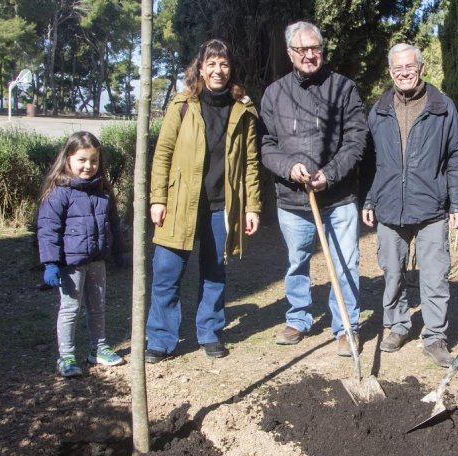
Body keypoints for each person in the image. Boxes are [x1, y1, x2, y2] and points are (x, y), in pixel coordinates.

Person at [144, 39, 262, 362]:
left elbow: (251, 163)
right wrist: (158, 199)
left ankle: (210, 332)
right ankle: (161, 338)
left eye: (223, 64)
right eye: (211, 63)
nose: (217, 70)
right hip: (180, 203)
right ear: (200, 68)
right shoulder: (182, 105)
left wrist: (252, 206)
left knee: (214, 273)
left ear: (231, 69)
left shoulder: (244, 111)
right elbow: (162, 154)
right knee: (167, 273)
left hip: (221, 206)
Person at [259, 21, 368, 356]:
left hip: (338, 197)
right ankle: (298, 318)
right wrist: (289, 168)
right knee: (297, 261)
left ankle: (346, 326)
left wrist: (330, 174)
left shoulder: (344, 88)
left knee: (346, 263)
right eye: (301, 49)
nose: (309, 55)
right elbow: (266, 144)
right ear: (290, 53)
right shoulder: (275, 94)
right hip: (293, 199)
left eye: (315, 48)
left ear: (323, 49)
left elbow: (356, 139)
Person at [362, 43, 458, 367]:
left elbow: (457, 158)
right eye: (397, 68)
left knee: (435, 276)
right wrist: (369, 198)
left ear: (421, 68)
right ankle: (397, 325)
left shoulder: (442, 107)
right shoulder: (379, 110)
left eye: (409, 66)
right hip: (390, 208)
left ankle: (435, 336)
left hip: (432, 209)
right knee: (392, 273)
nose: (404, 73)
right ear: (390, 72)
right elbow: (370, 163)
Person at [38, 131, 126, 377]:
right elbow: (48, 229)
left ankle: (98, 348)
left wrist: (119, 252)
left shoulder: (102, 192)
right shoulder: (59, 193)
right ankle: (66, 356)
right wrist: (51, 263)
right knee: (70, 309)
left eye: (94, 161)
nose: (88, 166)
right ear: (68, 159)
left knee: (97, 306)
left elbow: (113, 224)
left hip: (97, 260)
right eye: (82, 160)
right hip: (71, 264)